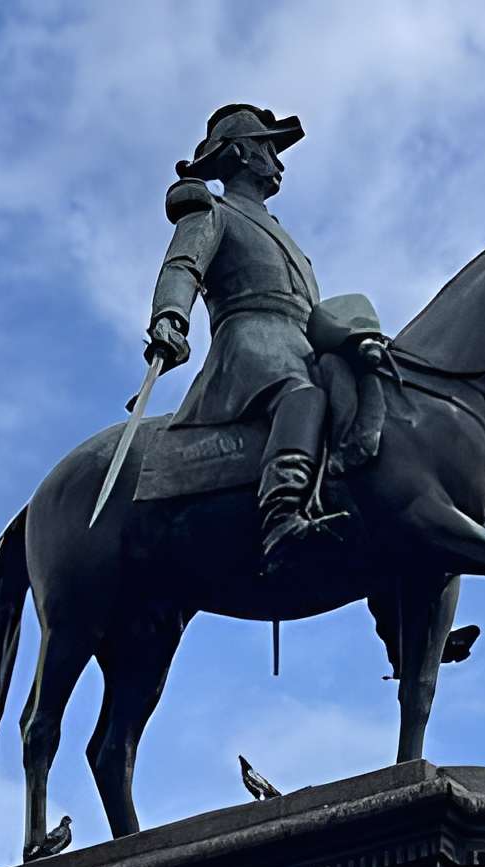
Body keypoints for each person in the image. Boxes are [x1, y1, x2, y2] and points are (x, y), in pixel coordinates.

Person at [146, 103, 356, 563]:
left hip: (302, 341)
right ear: (241, 153)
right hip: (252, 341)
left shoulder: (286, 238)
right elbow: (183, 266)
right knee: (301, 395)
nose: (277, 160)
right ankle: (281, 510)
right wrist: (171, 317)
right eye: (268, 147)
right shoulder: (213, 212)